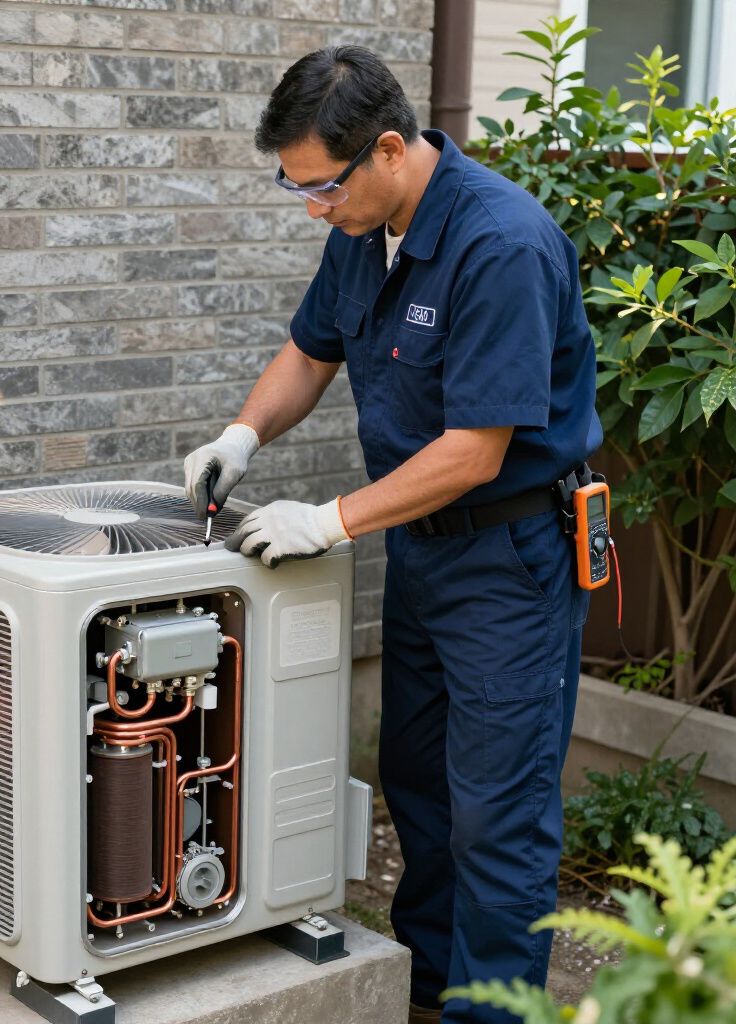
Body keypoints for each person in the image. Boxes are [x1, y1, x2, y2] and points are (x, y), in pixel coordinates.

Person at [183, 46, 602, 1024]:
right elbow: (309, 349)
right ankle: (424, 987)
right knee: (416, 778)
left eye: (320, 185)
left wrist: (327, 520)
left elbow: (473, 451)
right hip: (421, 549)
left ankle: (490, 1012)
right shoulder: (360, 225)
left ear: (385, 149)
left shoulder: (500, 243)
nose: (310, 207)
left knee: (496, 812)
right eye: (295, 189)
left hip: (509, 557)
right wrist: (243, 435)